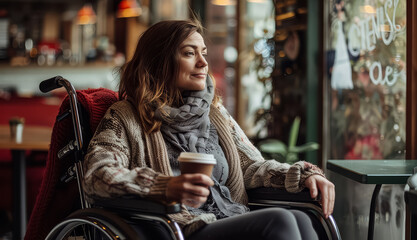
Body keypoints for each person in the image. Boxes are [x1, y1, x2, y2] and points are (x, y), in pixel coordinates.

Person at [83, 18, 335, 240]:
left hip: (225, 217)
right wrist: (165, 186)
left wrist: (303, 176)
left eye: (203, 52)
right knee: (279, 221)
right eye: (190, 53)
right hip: (174, 227)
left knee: (303, 218)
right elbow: (97, 173)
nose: (204, 62)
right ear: (159, 62)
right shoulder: (125, 116)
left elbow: (251, 167)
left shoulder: (215, 112)